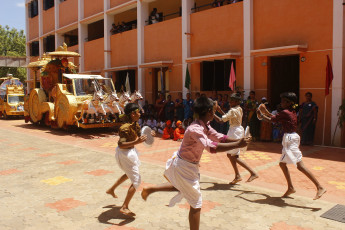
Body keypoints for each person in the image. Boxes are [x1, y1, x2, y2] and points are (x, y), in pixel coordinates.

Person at [141, 97, 251, 230]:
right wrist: (238, 144)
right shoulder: (195, 129)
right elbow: (211, 147)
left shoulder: (205, 125)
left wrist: (238, 141)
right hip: (184, 165)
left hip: (187, 165)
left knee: (181, 187)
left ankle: (150, 189)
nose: (214, 112)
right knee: (196, 203)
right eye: (214, 110)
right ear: (209, 112)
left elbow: (219, 137)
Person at [257, 92, 326, 200]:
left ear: (289, 103)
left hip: (290, 139)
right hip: (291, 138)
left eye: (283, 101)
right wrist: (265, 112)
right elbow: (276, 117)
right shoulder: (292, 111)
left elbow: (273, 119)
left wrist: (261, 115)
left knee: (300, 166)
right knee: (282, 164)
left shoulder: (285, 112)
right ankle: (290, 187)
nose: (281, 102)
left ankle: (320, 187)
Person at [106, 103, 155, 216]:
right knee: (136, 180)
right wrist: (136, 142)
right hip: (124, 153)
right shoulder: (124, 128)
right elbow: (121, 144)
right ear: (133, 114)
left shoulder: (135, 124)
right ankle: (124, 207)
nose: (140, 113)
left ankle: (111, 189)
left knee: (129, 174)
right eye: (138, 112)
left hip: (129, 152)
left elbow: (141, 135)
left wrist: (150, 134)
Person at [214, 92, 258, 184]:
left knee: (233, 155)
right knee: (231, 155)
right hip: (238, 129)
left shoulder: (232, 110)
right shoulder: (238, 109)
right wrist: (219, 110)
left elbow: (221, 120)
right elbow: (228, 116)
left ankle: (252, 172)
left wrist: (211, 113)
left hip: (234, 132)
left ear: (236, 101)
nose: (230, 102)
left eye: (232, 101)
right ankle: (237, 175)